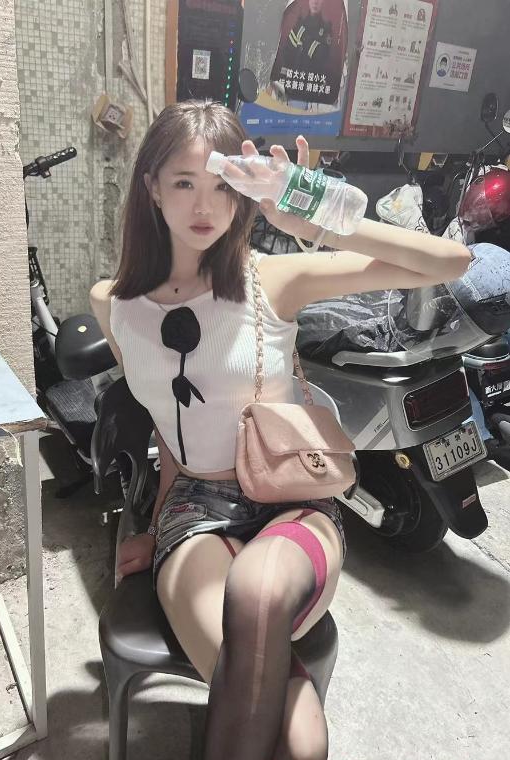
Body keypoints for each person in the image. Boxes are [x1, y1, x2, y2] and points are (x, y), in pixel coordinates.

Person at [90, 101, 471, 760]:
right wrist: (152, 527)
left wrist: (313, 215)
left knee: (259, 586)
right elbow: (169, 432)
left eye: (221, 185)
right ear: (151, 187)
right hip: (194, 513)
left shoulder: (272, 278)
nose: (204, 205)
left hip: (292, 504)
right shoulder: (114, 306)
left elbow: (450, 261)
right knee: (298, 737)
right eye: (183, 182)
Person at [269, 0, 334, 104]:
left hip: (311, 90)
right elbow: (287, 53)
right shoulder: (300, 25)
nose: (315, 2)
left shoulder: (326, 29)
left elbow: (322, 56)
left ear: (323, 2)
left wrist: (305, 41)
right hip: (292, 85)